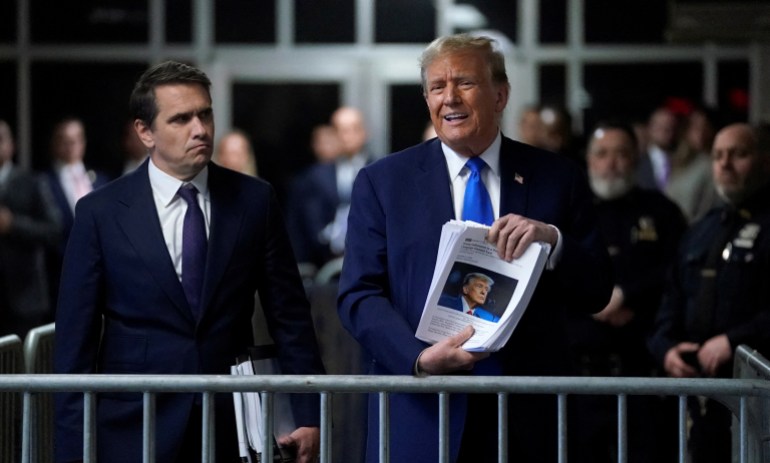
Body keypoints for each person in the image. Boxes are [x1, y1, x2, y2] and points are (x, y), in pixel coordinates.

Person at [337, 33, 613, 463]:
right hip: (422, 413)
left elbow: (597, 289)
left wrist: (553, 241)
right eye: (436, 87)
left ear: (500, 95)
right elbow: (358, 295)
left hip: (528, 417)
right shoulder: (383, 182)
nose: (449, 98)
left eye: (464, 83)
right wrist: (418, 359)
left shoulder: (558, 177)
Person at [54, 61, 325, 463]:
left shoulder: (254, 200)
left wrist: (309, 413)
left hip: (230, 421)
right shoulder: (100, 212)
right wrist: (73, 447)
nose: (200, 129)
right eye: (181, 119)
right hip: (133, 423)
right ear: (145, 132)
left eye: (205, 114)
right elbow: (75, 341)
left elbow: (289, 315)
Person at [648, 123, 770, 463]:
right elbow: (669, 303)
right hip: (703, 399)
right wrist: (667, 348)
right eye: (718, 156)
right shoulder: (702, 229)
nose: (725, 164)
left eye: (739, 154)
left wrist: (733, 341)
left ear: (765, 161)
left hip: (758, 397)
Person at [566, 122, 687, 463]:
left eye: (621, 153)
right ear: (588, 159)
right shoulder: (569, 212)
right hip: (580, 374)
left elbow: (678, 273)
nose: (612, 162)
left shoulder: (662, 211)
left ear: (635, 159)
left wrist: (630, 295)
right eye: (602, 154)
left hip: (642, 371)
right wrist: (593, 301)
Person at [286, 106, 370, 267]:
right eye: (341, 130)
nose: (347, 136)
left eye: (353, 129)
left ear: (364, 132)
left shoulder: (380, 171)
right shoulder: (316, 176)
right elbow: (310, 225)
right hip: (325, 266)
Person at [0, 120, 61, 337]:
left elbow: (54, 230)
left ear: (11, 145)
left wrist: (13, 224)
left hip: (25, 298)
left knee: (22, 366)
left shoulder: (32, 181)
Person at [43, 116, 110, 312]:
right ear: (54, 144)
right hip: (61, 276)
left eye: (76, 139)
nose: (71, 145)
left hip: (102, 275)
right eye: (64, 139)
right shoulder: (44, 182)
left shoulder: (101, 180)